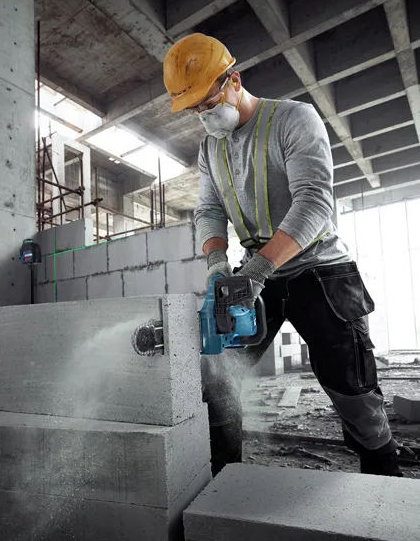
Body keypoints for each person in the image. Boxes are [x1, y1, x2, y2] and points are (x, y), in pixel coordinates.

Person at [163, 32, 402, 477]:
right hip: (257, 276)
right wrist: (218, 267)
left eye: (208, 103)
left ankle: (385, 478)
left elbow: (314, 202)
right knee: (216, 378)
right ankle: (223, 484)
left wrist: (254, 271)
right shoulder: (208, 150)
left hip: (321, 273)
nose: (204, 116)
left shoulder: (294, 119)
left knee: (352, 389)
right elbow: (209, 212)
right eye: (195, 110)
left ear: (233, 79)